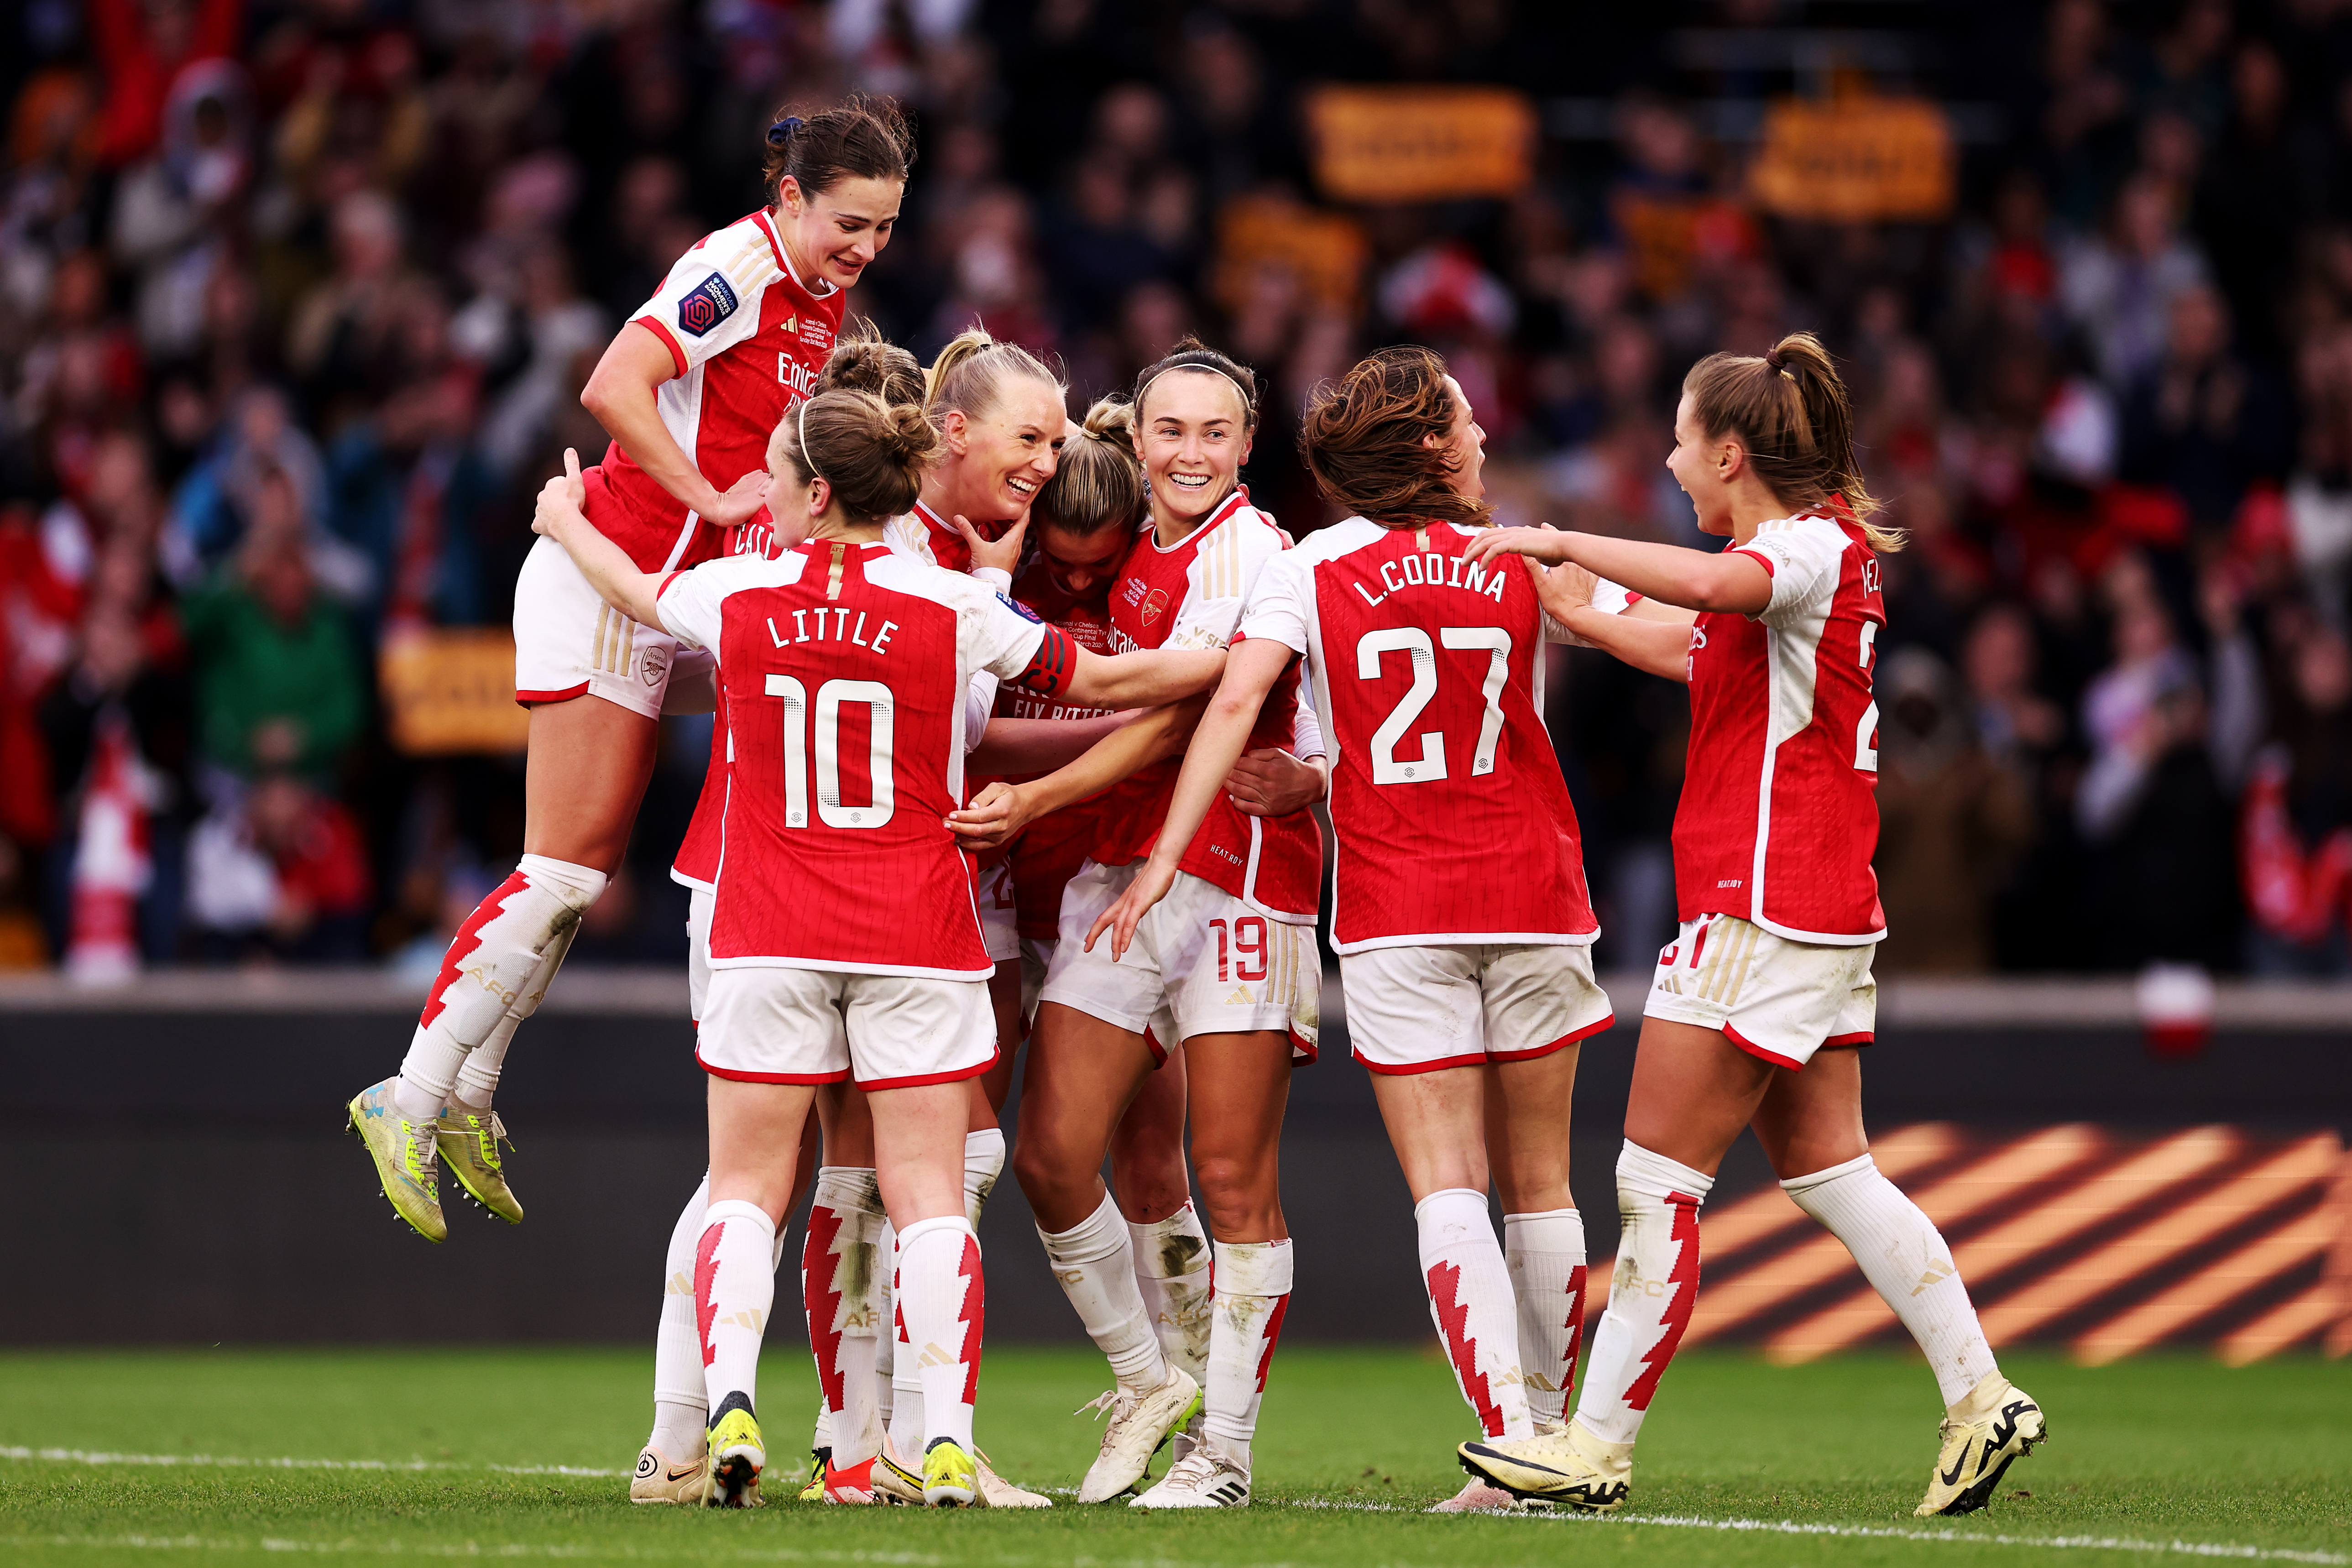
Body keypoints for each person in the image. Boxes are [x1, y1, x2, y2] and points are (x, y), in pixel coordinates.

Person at [532, 385, 1229, 1508]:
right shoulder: (953, 603)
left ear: (814, 490)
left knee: (746, 1187)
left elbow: (639, 595)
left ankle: (729, 1410)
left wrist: (568, 521)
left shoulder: (739, 586)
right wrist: (1238, 660)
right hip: (915, 928)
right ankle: (940, 1437)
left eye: (777, 476)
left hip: (769, 927)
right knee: (930, 1194)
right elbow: (1099, 681)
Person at [1452, 334, 2046, 1518]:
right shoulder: (1795, 558)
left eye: (1679, 440)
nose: (1669, 462)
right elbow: (1687, 637)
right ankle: (1981, 1395)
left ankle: (1593, 1447)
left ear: (1729, 452)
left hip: (1762, 906)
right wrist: (1566, 600)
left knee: (1653, 1181)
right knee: (1833, 1169)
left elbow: (1716, 594)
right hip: (1812, 907)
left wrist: (1564, 538)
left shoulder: (1802, 547)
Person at [347, 98, 915, 1244]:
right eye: (850, 222)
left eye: (888, 228)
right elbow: (613, 382)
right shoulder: (735, 265)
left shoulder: (820, 296)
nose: (866, 247)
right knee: (562, 871)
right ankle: (405, 1092)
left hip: (658, 602)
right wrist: (708, 501)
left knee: (583, 873)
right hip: (607, 576)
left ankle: (465, 1094)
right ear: (791, 197)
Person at [1088, 345, 1616, 1514]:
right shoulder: (1519, 554)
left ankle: (1508, 1442)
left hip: (1403, 908)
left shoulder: (1309, 566)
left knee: (1447, 1187)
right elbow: (1660, 637)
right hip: (1536, 888)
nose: (1482, 437)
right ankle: (1554, 1443)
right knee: (1542, 1182)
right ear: (1433, 448)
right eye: (1469, 423)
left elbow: (1235, 697)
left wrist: (1169, 852)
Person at [961, 340, 1323, 1510]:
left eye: (1214, 433)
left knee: (1226, 1173)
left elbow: (1180, 715)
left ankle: (1225, 1453)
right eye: (1172, 431)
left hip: (1238, 880)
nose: (1191, 453)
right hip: (1122, 878)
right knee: (1054, 1153)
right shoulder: (1129, 555)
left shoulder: (1255, 552)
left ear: (1246, 442)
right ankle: (1150, 1378)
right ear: (1137, 439)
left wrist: (1038, 788)